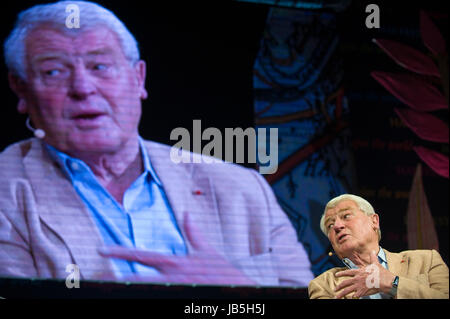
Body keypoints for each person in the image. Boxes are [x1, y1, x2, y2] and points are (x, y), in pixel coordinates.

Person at [0, 1, 314, 287]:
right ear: (21, 90)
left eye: (100, 67)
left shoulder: (242, 189)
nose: (83, 88)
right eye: (53, 72)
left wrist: (237, 290)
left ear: (138, 79)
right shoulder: (7, 193)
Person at [308, 194, 449, 299]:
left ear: (374, 221)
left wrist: (393, 283)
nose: (337, 226)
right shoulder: (323, 285)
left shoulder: (427, 260)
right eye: (330, 225)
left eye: (346, 216)